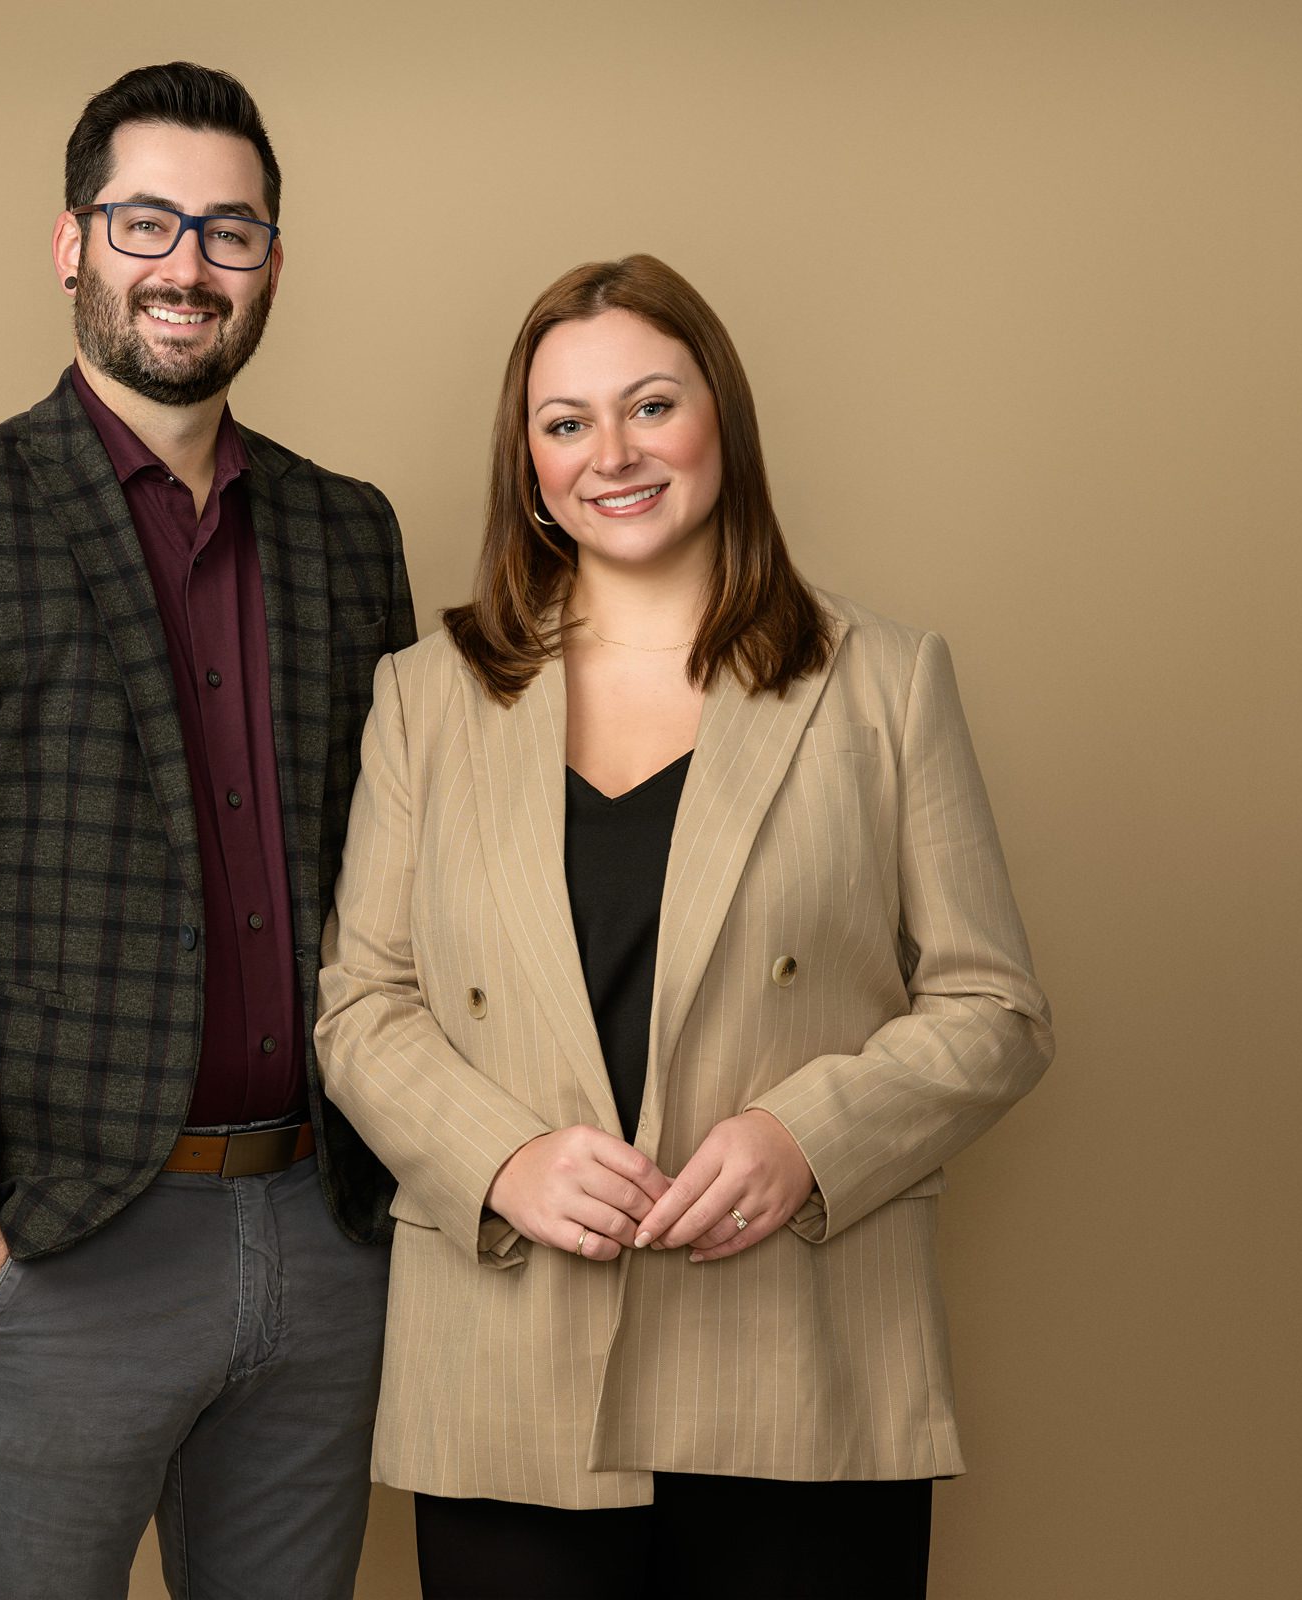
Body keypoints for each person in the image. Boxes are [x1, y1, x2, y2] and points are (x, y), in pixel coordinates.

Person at [314, 254, 1053, 1599]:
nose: (613, 452)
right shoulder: (426, 696)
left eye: (651, 405)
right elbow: (361, 1003)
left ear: (723, 418)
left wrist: (807, 1140)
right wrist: (503, 1160)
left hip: (799, 1351)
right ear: (527, 462)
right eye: (566, 422)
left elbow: (994, 1009)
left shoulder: (883, 683)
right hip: (510, 1363)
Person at [0, 62, 414, 1600]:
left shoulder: (350, 531)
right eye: (148, 220)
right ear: (73, 244)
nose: (187, 265)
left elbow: (399, 880)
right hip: (70, 1245)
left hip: (325, 1226)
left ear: (273, 262)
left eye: (229, 229)